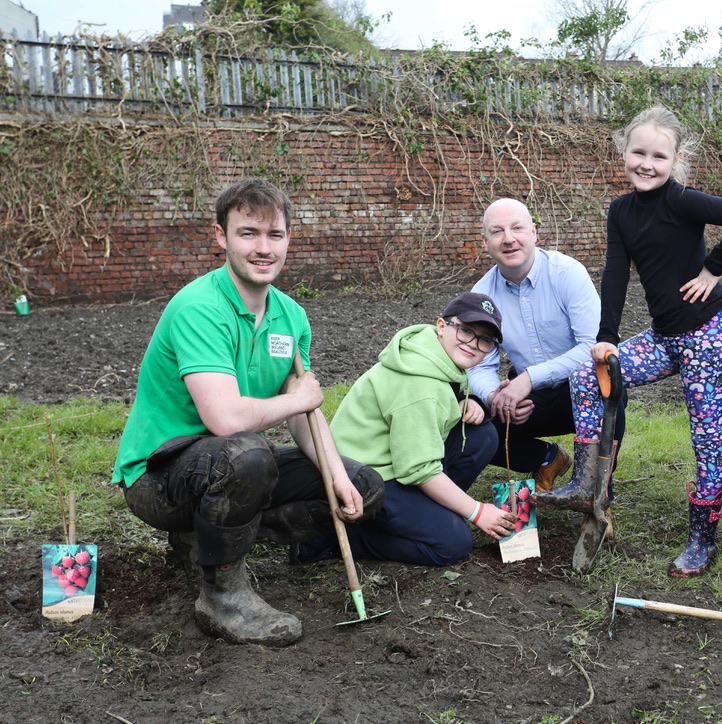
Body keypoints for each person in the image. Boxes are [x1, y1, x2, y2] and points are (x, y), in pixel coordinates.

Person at [112, 178, 385, 647]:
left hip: (227, 462)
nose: (263, 248)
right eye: (248, 234)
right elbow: (226, 420)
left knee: (365, 485)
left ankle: (207, 543)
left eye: (274, 235)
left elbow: (305, 414)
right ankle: (222, 597)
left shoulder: (291, 317)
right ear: (221, 237)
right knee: (246, 455)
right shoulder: (199, 307)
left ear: (288, 240)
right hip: (159, 478)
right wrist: (300, 398)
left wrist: (336, 475)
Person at [534, 106, 722, 578]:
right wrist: (607, 338)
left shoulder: (683, 201)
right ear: (624, 152)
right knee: (586, 377)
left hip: (709, 336)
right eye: (638, 152)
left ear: (674, 159)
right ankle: (586, 482)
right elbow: (616, 273)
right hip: (663, 337)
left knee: (704, 437)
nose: (646, 163)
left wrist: (711, 271)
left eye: (659, 156)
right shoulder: (621, 210)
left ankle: (702, 539)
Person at [303, 292, 516, 567]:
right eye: (465, 331)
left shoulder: (432, 356)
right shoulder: (418, 385)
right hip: (364, 478)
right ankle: (333, 537)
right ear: (442, 326)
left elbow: (435, 409)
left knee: (483, 436)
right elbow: (418, 469)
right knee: (452, 543)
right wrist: (477, 511)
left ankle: (429, 510)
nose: (473, 344)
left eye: (484, 339)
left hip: (393, 461)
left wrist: (466, 400)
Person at [470, 197, 626, 494]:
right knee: (475, 430)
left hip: (584, 387)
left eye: (517, 228)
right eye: (497, 231)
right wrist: (495, 397)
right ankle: (547, 458)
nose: (509, 239)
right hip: (531, 401)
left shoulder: (567, 273)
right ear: (485, 241)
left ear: (534, 233)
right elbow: (479, 365)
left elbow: (591, 346)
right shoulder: (482, 296)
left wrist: (528, 379)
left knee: (612, 392)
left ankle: (597, 495)